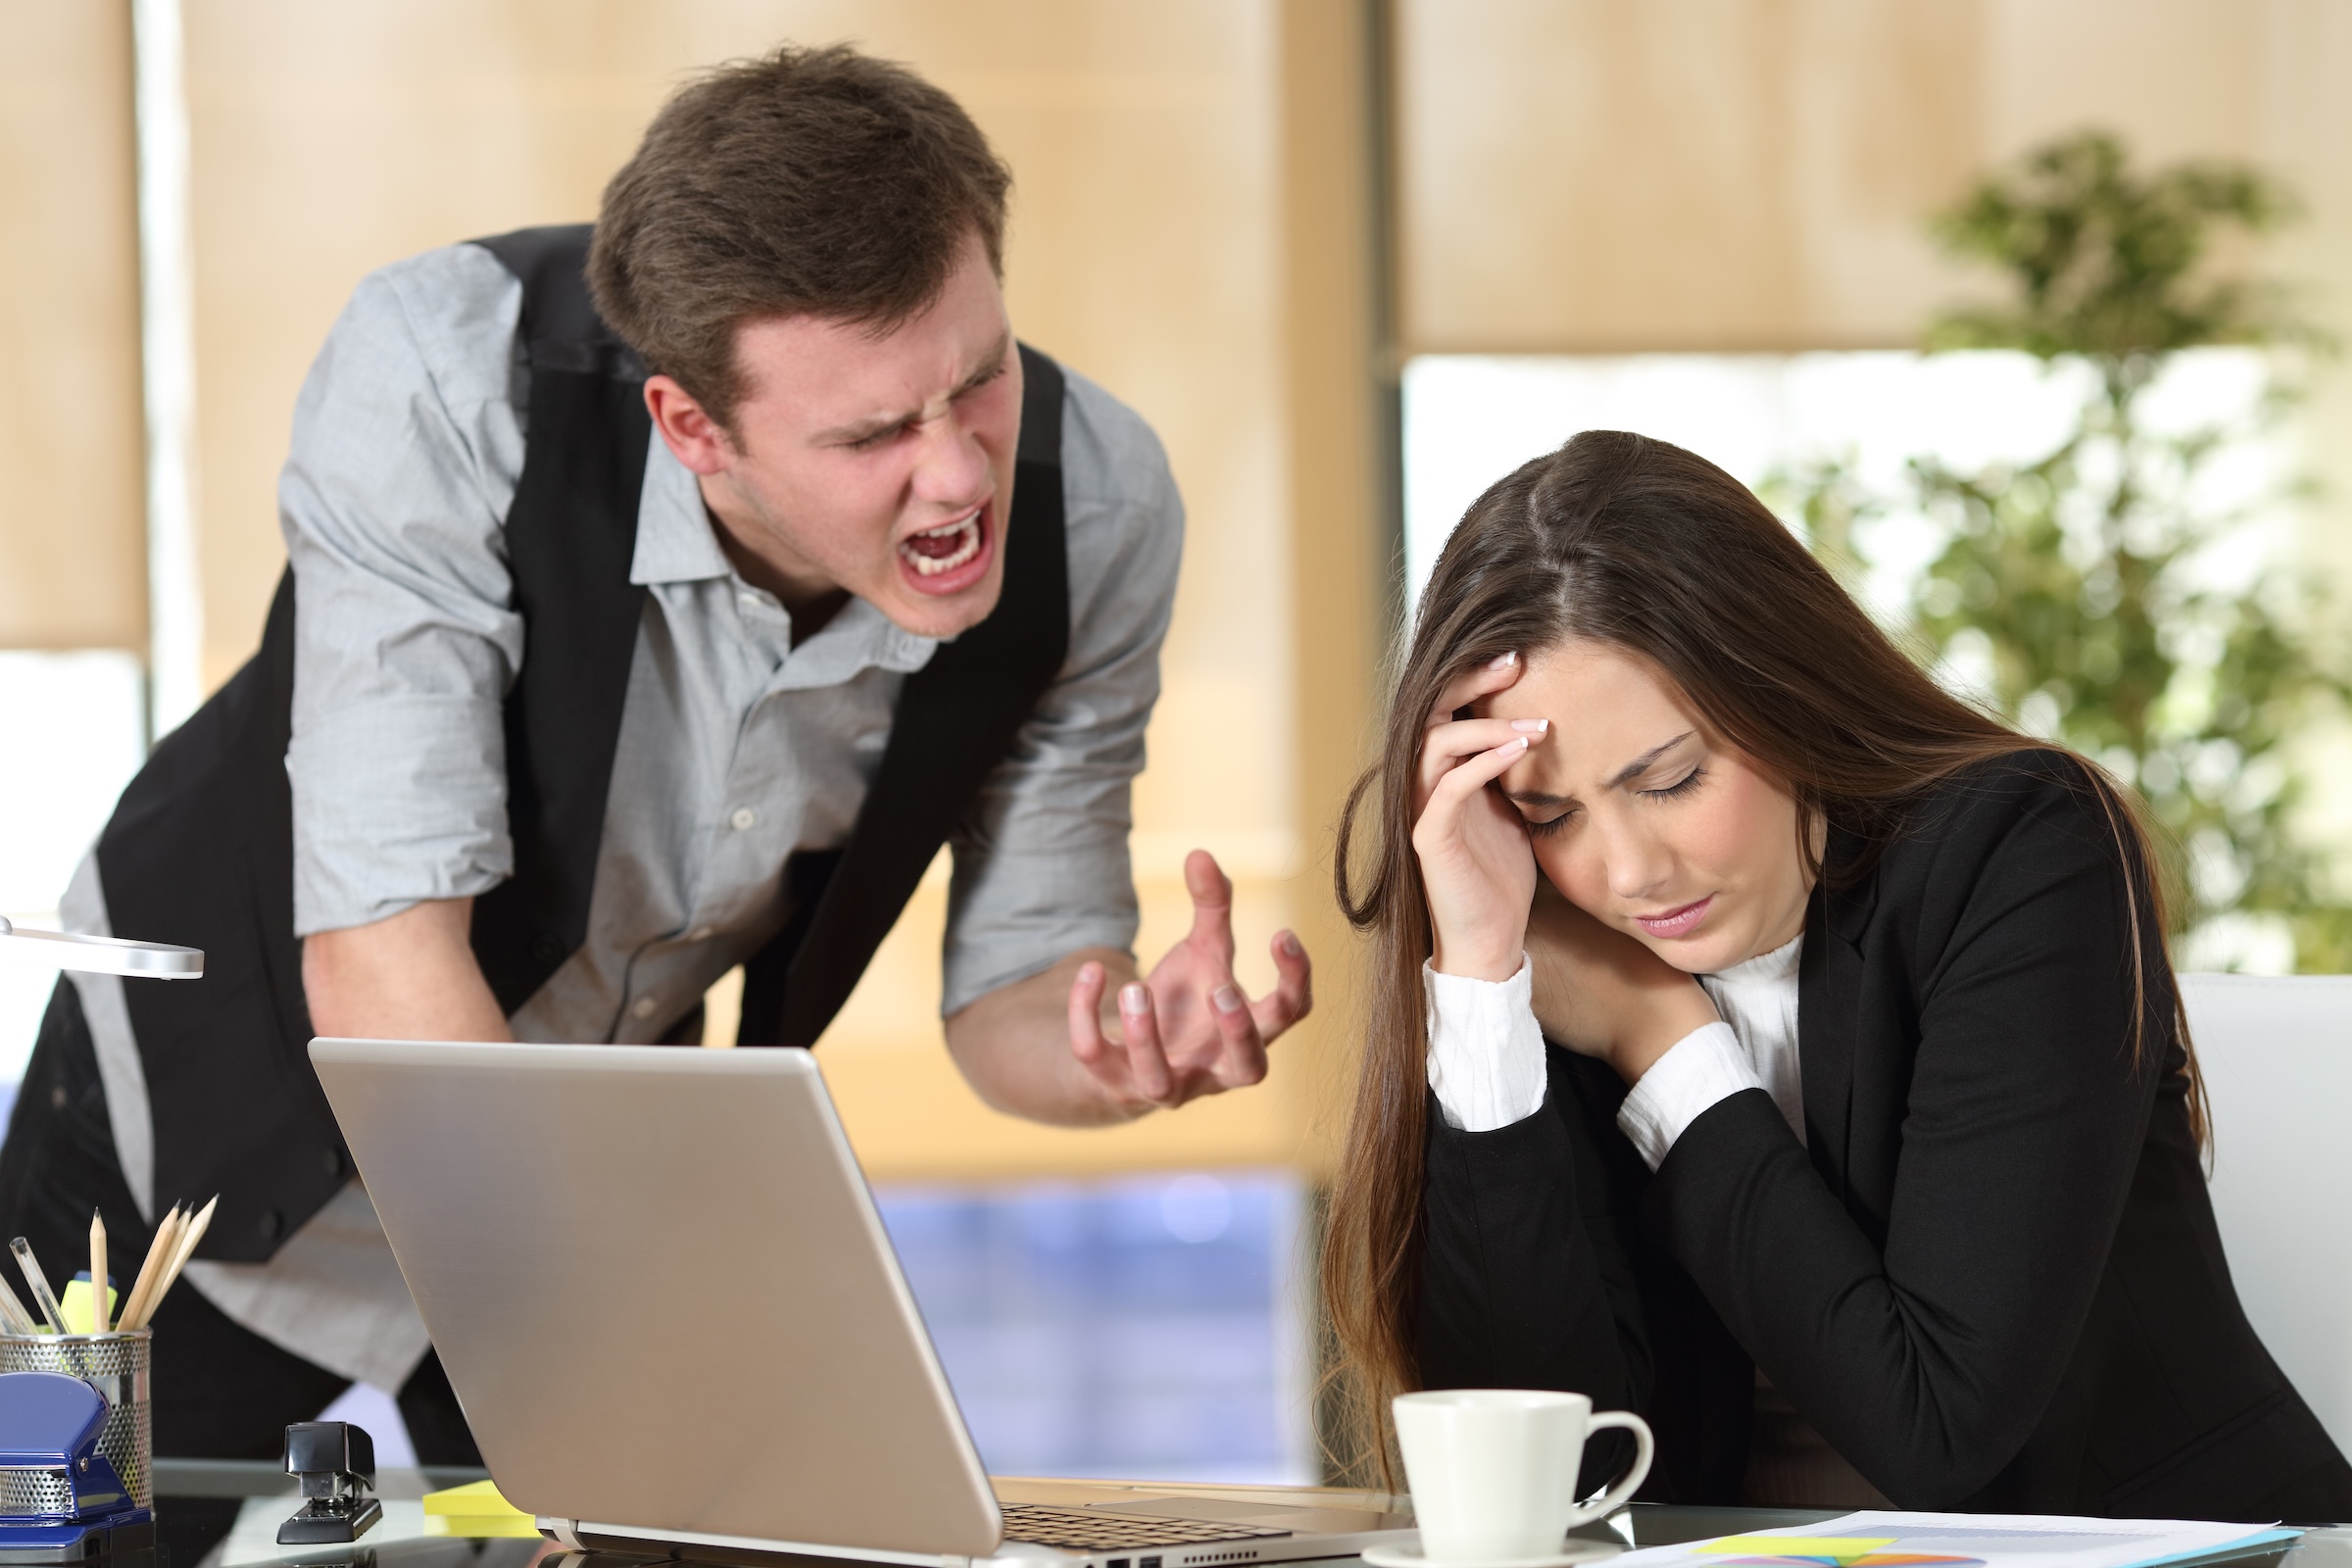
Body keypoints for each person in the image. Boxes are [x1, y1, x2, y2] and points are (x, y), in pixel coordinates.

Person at [0, 44, 1308, 1460]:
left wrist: (1115, 1046)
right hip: (196, 1137)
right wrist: (642, 1335)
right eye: (873, 434)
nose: (959, 474)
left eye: (979, 380)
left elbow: (1020, 991)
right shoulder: (453, 380)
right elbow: (384, 962)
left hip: (570, 1163)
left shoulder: (1096, 512)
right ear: (691, 425)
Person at [1320, 429, 2352, 1521]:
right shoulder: (1556, 923)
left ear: (1784, 694)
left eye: (1670, 779)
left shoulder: (2017, 847)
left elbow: (1938, 1433)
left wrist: (1662, 1045)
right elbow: (1548, 1482)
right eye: (1548, 811)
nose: (1626, 872)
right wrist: (1482, 984)